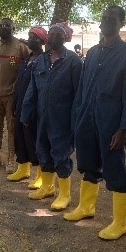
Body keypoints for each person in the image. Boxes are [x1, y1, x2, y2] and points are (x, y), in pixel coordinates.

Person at [67, 6, 126, 241]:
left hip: (111, 119)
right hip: (86, 115)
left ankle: (120, 223)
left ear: (121, 23)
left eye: (113, 19)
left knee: (114, 167)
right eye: (104, 18)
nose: (107, 22)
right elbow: (81, 89)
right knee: (87, 162)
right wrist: (77, 116)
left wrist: (123, 127)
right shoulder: (93, 53)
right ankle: (86, 207)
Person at [21, 22, 82, 209]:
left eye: (59, 34)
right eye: (52, 33)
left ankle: (65, 194)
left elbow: (79, 94)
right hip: (42, 116)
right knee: (43, 150)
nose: (54, 37)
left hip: (62, 118)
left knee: (61, 154)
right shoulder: (41, 60)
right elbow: (32, 90)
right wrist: (26, 112)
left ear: (66, 38)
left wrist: (75, 121)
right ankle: (47, 187)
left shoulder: (74, 61)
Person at [0, 18, 30, 173]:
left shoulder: (21, 48)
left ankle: (10, 157)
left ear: (13, 28)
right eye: (0, 25)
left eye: (7, 26)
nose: (3, 28)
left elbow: (29, 69)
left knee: (12, 128)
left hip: (12, 96)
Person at [7, 26, 47, 185]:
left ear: (42, 41)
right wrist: (15, 102)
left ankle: (40, 175)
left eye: (35, 37)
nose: (31, 39)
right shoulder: (26, 60)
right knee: (19, 137)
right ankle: (22, 168)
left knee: (33, 140)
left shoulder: (43, 60)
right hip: (20, 105)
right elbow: (19, 83)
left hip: (34, 108)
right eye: (30, 36)